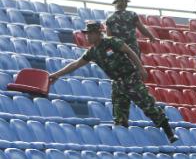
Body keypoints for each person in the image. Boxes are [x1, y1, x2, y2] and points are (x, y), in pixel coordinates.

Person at [48, 21, 178, 143]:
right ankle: (124, 141)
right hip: (117, 83)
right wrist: (57, 75)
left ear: (98, 33)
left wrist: (140, 68)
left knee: (148, 105)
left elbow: (130, 52)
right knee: (119, 116)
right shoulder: (92, 52)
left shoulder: (112, 42)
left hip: (130, 78)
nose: (87, 37)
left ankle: (169, 133)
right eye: (86, 34)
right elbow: (76, 64)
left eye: (90, 34)